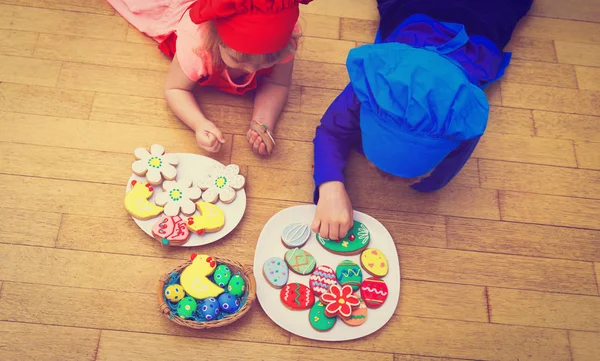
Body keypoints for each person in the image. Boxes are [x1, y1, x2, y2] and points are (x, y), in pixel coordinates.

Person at [311, 0, 534, 240]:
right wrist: (329, 185)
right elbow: (332, 131)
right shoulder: (375, 86)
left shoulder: (378, 87)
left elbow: (435, 180)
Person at [106, 0, 312, 156]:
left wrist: (263, 122)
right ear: (217, 40)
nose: (251, 70)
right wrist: (198, 123)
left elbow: (278, 84)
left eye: (265, 62)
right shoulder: (199, 44)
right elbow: (174, 89)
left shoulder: (284, 44)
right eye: (237, 59)